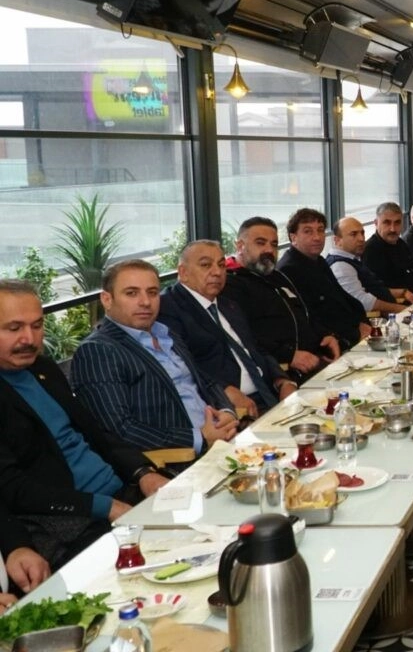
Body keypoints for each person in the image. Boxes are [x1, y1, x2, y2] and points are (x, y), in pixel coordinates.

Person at [0, 280, 169, 569]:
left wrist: (142, 472)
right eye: (14, 328)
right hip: (71, 519)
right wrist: (105, 506)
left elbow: (94, 432)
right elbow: (12, 487)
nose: (29, 338)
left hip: (122, 491)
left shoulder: (43, 368)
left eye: (37, 325)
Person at [72, 260, 238, 454]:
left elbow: (204, 381)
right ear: (107, 300)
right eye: (131, 293)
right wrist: (199, 437)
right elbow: (120, 429)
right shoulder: (97, 351)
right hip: (182, 459)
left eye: (152, 292)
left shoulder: (165, 333)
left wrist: (226, 411)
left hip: (224, 439)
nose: (145, 302)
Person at [159, 241, 297, 419]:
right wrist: (224, 390)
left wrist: (282, 380)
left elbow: (255, 348)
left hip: (269, 395)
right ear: (183, 272)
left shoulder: (228, 304)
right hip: (231, 411)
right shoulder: (168, 308)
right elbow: (183, 366)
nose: (217, 272)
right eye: (206, 265)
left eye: (221, 265)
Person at [221, 217, 343, 380]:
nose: (269, 250)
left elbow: (304, 313)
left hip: (315, 358)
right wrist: (289, 355)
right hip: (281, 372)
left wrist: (326, 335)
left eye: (274, 244)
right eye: (260, 243)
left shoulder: (277, 277)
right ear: (240, 246)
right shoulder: (229, 284)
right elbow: (244, 336)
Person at [277, 208, 369, 347]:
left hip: (351, 332)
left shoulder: (318, 261)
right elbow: (310, 318)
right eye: (308, 231)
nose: (317, 237)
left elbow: (342, 296)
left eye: (320, 230)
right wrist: (355, 334)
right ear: (293, 237)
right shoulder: (288, 269)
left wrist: (362, 322)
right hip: (329, 343)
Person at [327, 216, 410, 316]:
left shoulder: (353, 259)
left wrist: (403, 292)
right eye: (353, 234)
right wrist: (401, 309)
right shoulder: (340, 266)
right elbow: (363, 301)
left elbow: (374, 289)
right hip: (377, 319)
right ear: (337, 240)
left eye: (362, 233)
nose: (361, 239)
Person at [362, 202, 413, 294]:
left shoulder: (400, 243)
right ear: (376, 223)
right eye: (387, 223)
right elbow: (381, 288)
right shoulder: (370, 250)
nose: (393, 229)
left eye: (397, 223)